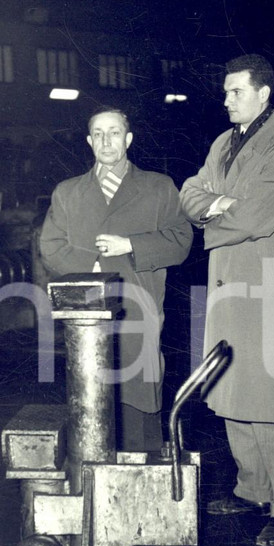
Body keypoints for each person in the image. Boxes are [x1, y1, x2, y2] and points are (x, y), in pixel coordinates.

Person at [180, 55, 274, 546]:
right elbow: (189, 193)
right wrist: (217, 205)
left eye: (236, 91)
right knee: (231, 387)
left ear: (264, 93)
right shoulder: (221, 143)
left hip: (264, 280)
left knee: (271, 396)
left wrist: (216, 212)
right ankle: (252, 489)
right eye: (227, 91)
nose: (227, 99)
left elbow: (256, 219)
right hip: (227, 280)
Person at [40, 107, 192, 451]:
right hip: (87, 316)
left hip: (140, 308)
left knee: (140, 397)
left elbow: (181, 241)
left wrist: (131, 245)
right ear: (89, 141)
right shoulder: (67, 192)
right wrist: (93, 265)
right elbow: (49, 245)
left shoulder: (158, 187)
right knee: (93, 401)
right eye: (98, 133)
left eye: (114, 132)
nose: (106, 140)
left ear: (128, 139)